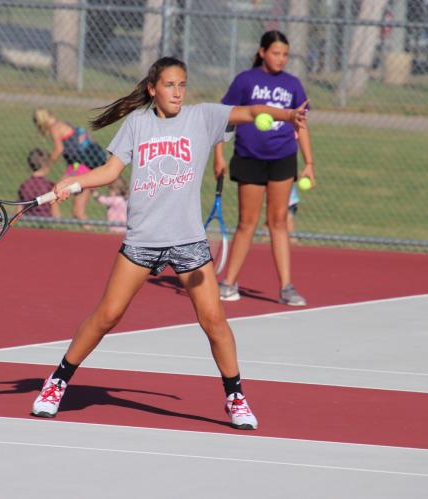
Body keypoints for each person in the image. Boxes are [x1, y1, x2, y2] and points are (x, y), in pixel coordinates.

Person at [29, 56, 307, 430]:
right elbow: (111, 171)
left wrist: (287, 116)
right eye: (170, 85)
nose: (177, 92)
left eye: (182, 85)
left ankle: (235, 396)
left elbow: (252, 110)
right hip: (143, 241)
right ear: (152, 89)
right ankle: (56, 382)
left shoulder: (202, 118)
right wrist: (72, 184)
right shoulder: (137, 124)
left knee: (214, 321)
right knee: (107, 316)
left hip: (188, 242)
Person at [213, 30, 316, 306]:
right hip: (249, 157)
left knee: (279, 222)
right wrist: (219, 156)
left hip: (283, 157)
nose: (281, 59)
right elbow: (224, 119)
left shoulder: (293, 85)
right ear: (262, 52)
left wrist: (309, 163)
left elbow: (301, 125)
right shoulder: (245, 81)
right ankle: (228, 282)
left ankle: (286, 287)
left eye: (285, 54)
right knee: (247, 222)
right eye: (275, 53)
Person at [32, 108, 108, 223]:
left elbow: (59, 149)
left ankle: (56, 223)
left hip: (81, 167)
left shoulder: (54, 129)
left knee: (56, 194)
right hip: (86, 166)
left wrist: (46, 167)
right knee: (77, 212)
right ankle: (62, 224)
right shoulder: (64, 123)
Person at [16, 148, 60, 218]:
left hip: (27, 222)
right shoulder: (50, 186)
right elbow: (55, 213)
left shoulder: (24, 185)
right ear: (46, 165)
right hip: (47, 223)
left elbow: (18, 211)